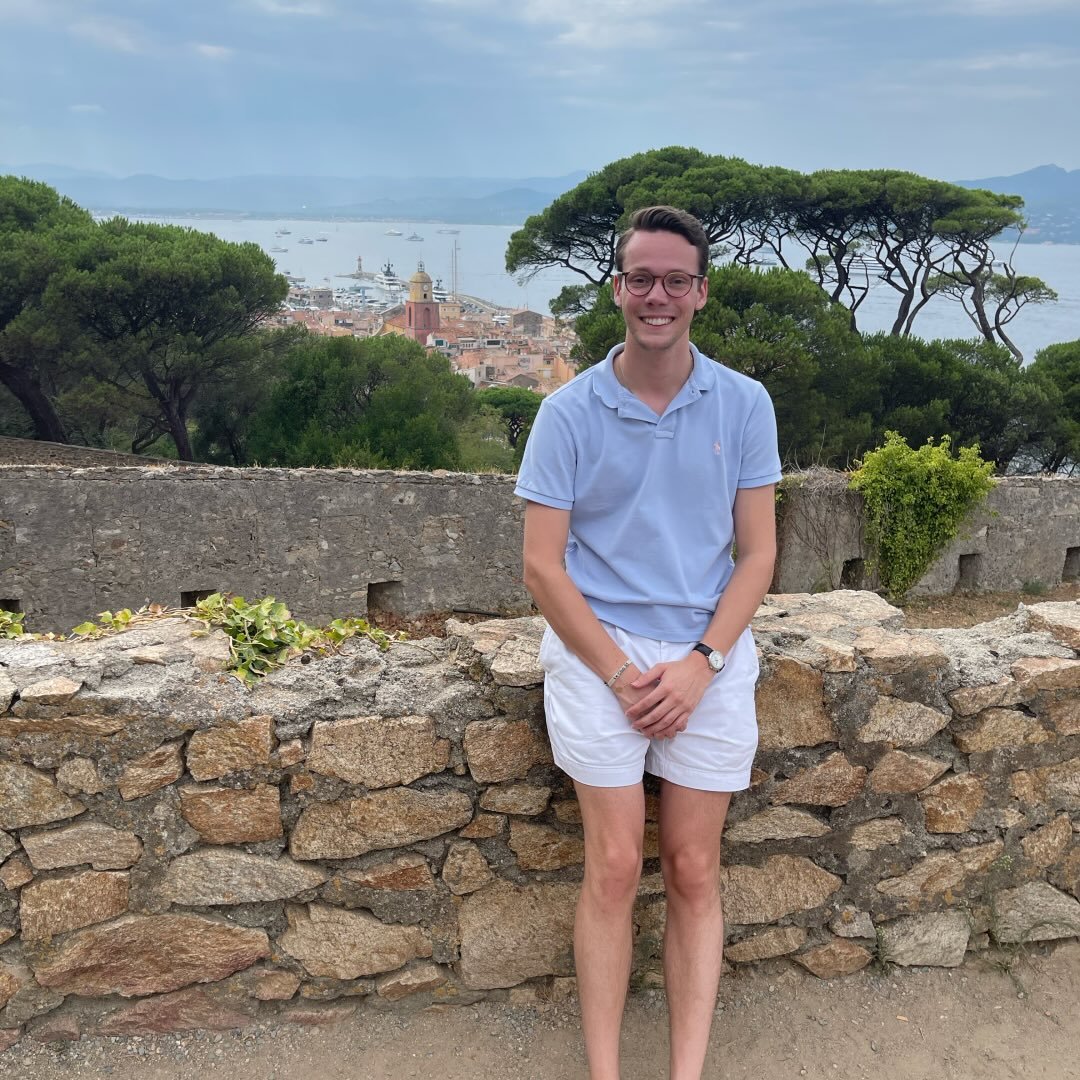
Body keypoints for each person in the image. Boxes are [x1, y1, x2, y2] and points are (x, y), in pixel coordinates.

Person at [514, 205, 781, 1080]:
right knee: (617, 865)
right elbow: (542, 566)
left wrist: (703, 665)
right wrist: (621, 673)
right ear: (617, 288)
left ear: (700, 292)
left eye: (674, 280)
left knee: (696, 868)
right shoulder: (568, 412)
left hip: (707, 649)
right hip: (600, 648)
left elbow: (759, 553)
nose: (656, 295)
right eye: (641, 279)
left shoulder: (743, 404)